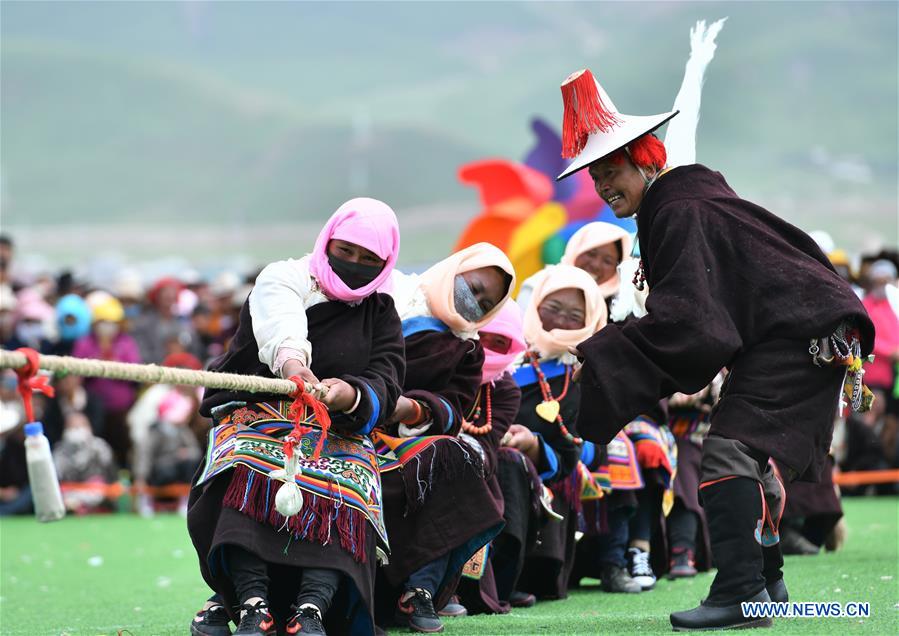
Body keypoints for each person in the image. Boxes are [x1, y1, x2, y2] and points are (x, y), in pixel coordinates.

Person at [556, 66, 875, 630]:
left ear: (647, 159)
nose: (603, 187)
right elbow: (706, 317)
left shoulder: (678, 210)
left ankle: (739, 594)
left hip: (803, 334)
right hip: (810, 330)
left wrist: (604, 355)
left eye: (612, 172)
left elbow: (693, 326)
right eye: (595, 178)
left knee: (728, 451)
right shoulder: (682, 204)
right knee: (745, 453)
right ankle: (767, 584)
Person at [187, 198, 404, 636]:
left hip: (338, 424)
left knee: (351, 477)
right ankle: (252, 602)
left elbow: (387, 374)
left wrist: (351, 394)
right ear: (327, 241)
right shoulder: (284, 277)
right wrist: (294, 368)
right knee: (247, 467)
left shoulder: (381, 310)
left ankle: (313, 608)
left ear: (385, 262)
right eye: (345, 251)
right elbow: (281, 330)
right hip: (257, 408)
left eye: (368, 259)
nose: (354, 263)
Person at [376, 242, 515, 634]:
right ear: (452, 271)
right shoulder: (388, 303)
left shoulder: (467, 348)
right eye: (472, 286)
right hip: (353, 421)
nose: (474, 301)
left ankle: (420, 589)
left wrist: (411, 409)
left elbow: (453, 407)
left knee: (453, 457)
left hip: (411, 437)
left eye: (485, 302)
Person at [502, 265, 606, 602]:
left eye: (576, 314)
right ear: (534, 305)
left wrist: (534, 447)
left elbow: (581, 447)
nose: (562, 319)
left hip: (551, 470)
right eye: (553, 307)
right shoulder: (505, 354)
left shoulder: (587, 371)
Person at [454, 301, 525, 616]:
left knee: (463, 467)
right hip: (412, 448)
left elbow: (486, 443)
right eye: (484, 336)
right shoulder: (442, 360)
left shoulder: (506, 388)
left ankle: (447, 588)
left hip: (475, 462)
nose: (489, 348)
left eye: (501, 342)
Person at [72, 295, 142, 468]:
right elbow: (75, 372)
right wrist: (97, 362)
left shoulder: (126, 343)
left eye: (111, 322)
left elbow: (138, 372)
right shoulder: (85, 343)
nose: (107, 327)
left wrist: (117, 366)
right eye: (103, 322)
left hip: (122, 412)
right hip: (93, 411)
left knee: (123, 450)